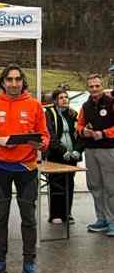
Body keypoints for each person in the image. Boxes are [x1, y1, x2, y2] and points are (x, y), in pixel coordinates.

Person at [0, 64, 49, 273]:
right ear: (3, 82)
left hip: (27, 168)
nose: (14, 83)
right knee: (0, 218)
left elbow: (45, 137)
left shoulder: (35, 105)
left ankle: (29, 264)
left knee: (28, 218)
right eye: (10, 79)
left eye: (18, 79)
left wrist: (40, 143)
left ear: (22, 81)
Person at [76, 73, 114, 236]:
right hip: (90, 150)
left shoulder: (112, 103)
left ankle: (112, 221)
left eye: (97, 86)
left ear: (102, 85)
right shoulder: (85, 106)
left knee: (110, 187)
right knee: (95, 186)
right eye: (91, 86)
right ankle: (102, 219)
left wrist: (104, 134)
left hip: (108, 149)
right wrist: (82, 130)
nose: (94, 89)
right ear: (88, 87)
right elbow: (78, 124)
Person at [44, 88, 82, 224]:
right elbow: (50, 135)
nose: (65, 99)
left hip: (72, 157)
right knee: (56, 185)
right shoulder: (48, 113)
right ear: (55, 100)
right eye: (61, 97)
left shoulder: (73, 114)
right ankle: (55, 214)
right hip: (56, 155)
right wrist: (62, 150)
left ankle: (67, 213)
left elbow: (79, 134)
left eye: (66, 97)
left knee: (69, 184)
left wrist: (78, 150)